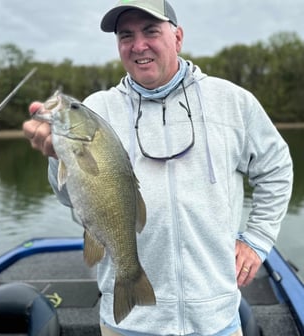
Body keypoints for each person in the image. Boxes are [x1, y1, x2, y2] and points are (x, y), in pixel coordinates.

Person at [23, 1, 293, 335]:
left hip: (215, 318)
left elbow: (276, 168)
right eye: (126, 35)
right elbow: (70, 197)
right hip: (127, 323)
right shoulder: (97, 109)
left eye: (151, 31)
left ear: (177, 38)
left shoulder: (233, 101)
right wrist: (56, 155)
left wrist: (257, 239)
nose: (138, 45)